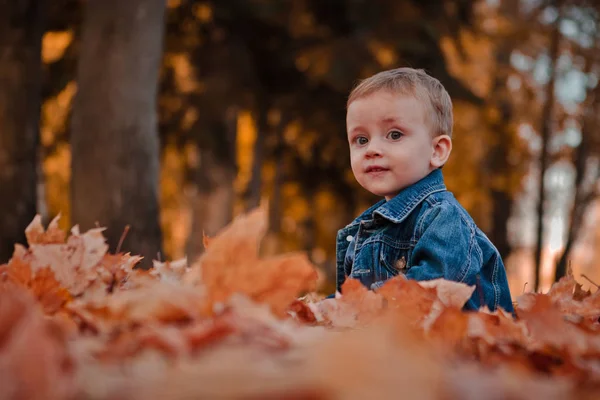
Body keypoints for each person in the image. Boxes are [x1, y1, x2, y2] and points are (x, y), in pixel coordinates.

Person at [334, 67, 513, 312]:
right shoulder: (365, 229)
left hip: (458, 346)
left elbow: (426, 295)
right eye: (361, 140)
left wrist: (358, 310)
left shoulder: (443, 219)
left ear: (436, 151)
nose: (371, 149)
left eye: (394, 135)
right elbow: (347, 301)